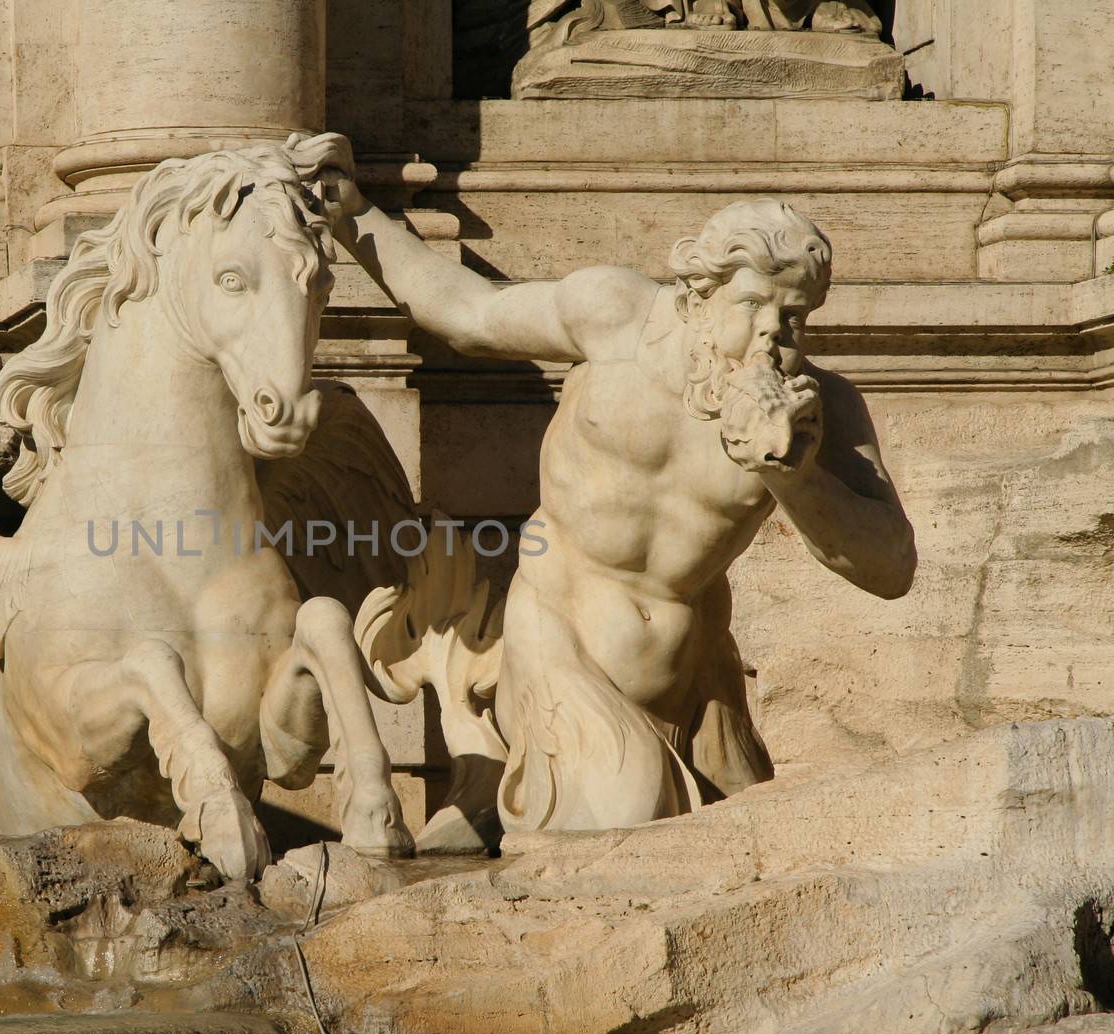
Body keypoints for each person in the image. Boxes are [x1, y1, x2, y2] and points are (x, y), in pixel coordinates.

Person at [311, 134, 915, 830]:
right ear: (703, 290)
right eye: (754, 304)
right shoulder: (616, 316)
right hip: (557, 638)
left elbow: (892, 567)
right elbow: (468, 314)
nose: (775, 332)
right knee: (626, 813)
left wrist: (795, 479)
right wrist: (354, 216)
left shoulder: (818, 409)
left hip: (696, 683)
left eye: (795, 315)